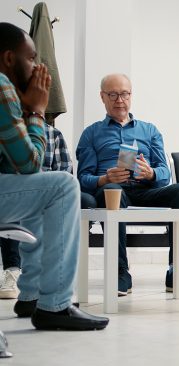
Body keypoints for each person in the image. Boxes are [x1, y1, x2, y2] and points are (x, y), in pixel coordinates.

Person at [0, 22, 108, 330]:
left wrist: (24, 105)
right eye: (31, 58)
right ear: (9, 58)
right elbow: (30, 163)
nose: (37, 67)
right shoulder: (1, 84)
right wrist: (35, 111)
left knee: (43, 189)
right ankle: (56, 305)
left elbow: (16, 170)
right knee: (62, 185)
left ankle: (32, 296)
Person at [76, 73, 179, 296]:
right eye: (113, 94)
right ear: (102, 97)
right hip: (113, 192)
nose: (119, 100)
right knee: (111, 191)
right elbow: (83, 179)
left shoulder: (149, 130)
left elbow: (165, 174)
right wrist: (105, 178)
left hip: (145, 191)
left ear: (131, 96)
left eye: (124, 94)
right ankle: (120, 271)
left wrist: (150, 173)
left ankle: (177, 271)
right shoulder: (91, 133)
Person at [0, 122, 72, 300]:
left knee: (61, 188)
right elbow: (28, 166)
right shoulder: (9, 124)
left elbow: (66, 168)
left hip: (37, 191)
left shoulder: (54, 134)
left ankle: (32, 294)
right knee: (64, 187)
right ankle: (53, 300)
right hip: (15, 191)